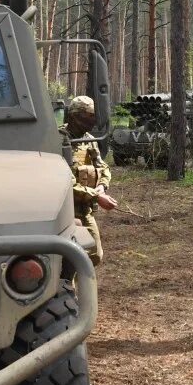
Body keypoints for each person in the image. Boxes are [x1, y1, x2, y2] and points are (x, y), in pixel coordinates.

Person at [63, 96, 116, 266]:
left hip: (85, 209)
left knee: (94, 255)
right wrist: (96, 196)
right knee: (70, 258)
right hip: (66, 212)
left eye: (92, 117)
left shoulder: (89, 139)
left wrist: (102, 186)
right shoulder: (60, 140)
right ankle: (69, 290)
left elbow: (102, 167)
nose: (90, 122)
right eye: (86, 118)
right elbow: (64, 183)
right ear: (73, 117)